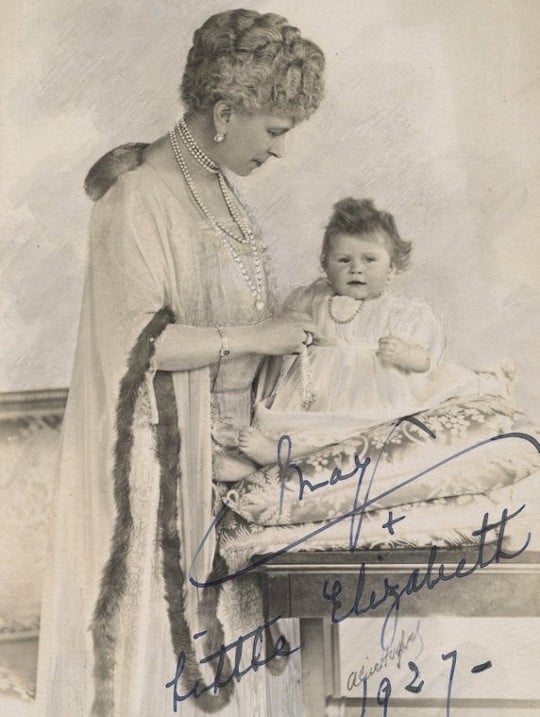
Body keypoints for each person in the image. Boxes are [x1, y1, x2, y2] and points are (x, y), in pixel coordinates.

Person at [36, 9, 324, 717]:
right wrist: (259, 337)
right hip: (155, 472)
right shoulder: (138, 197)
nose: (282, 151)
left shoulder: (224, 190)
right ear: (225, 112)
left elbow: (239, 316)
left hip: (226, 466)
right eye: (277, 129)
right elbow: (140, 345)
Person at [235, 197, 511, 465]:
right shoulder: (313, 299)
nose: (356, 269)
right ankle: (272, 454)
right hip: (318, 390)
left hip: (372, 391)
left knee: (356, 433)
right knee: (304, 422)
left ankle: (285, 454)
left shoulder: (400, 312)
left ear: (391, 267)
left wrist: (406, 354)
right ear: (325, 265)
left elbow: (426, 360)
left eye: (369, 260)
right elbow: (288, 331)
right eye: (343, 260)